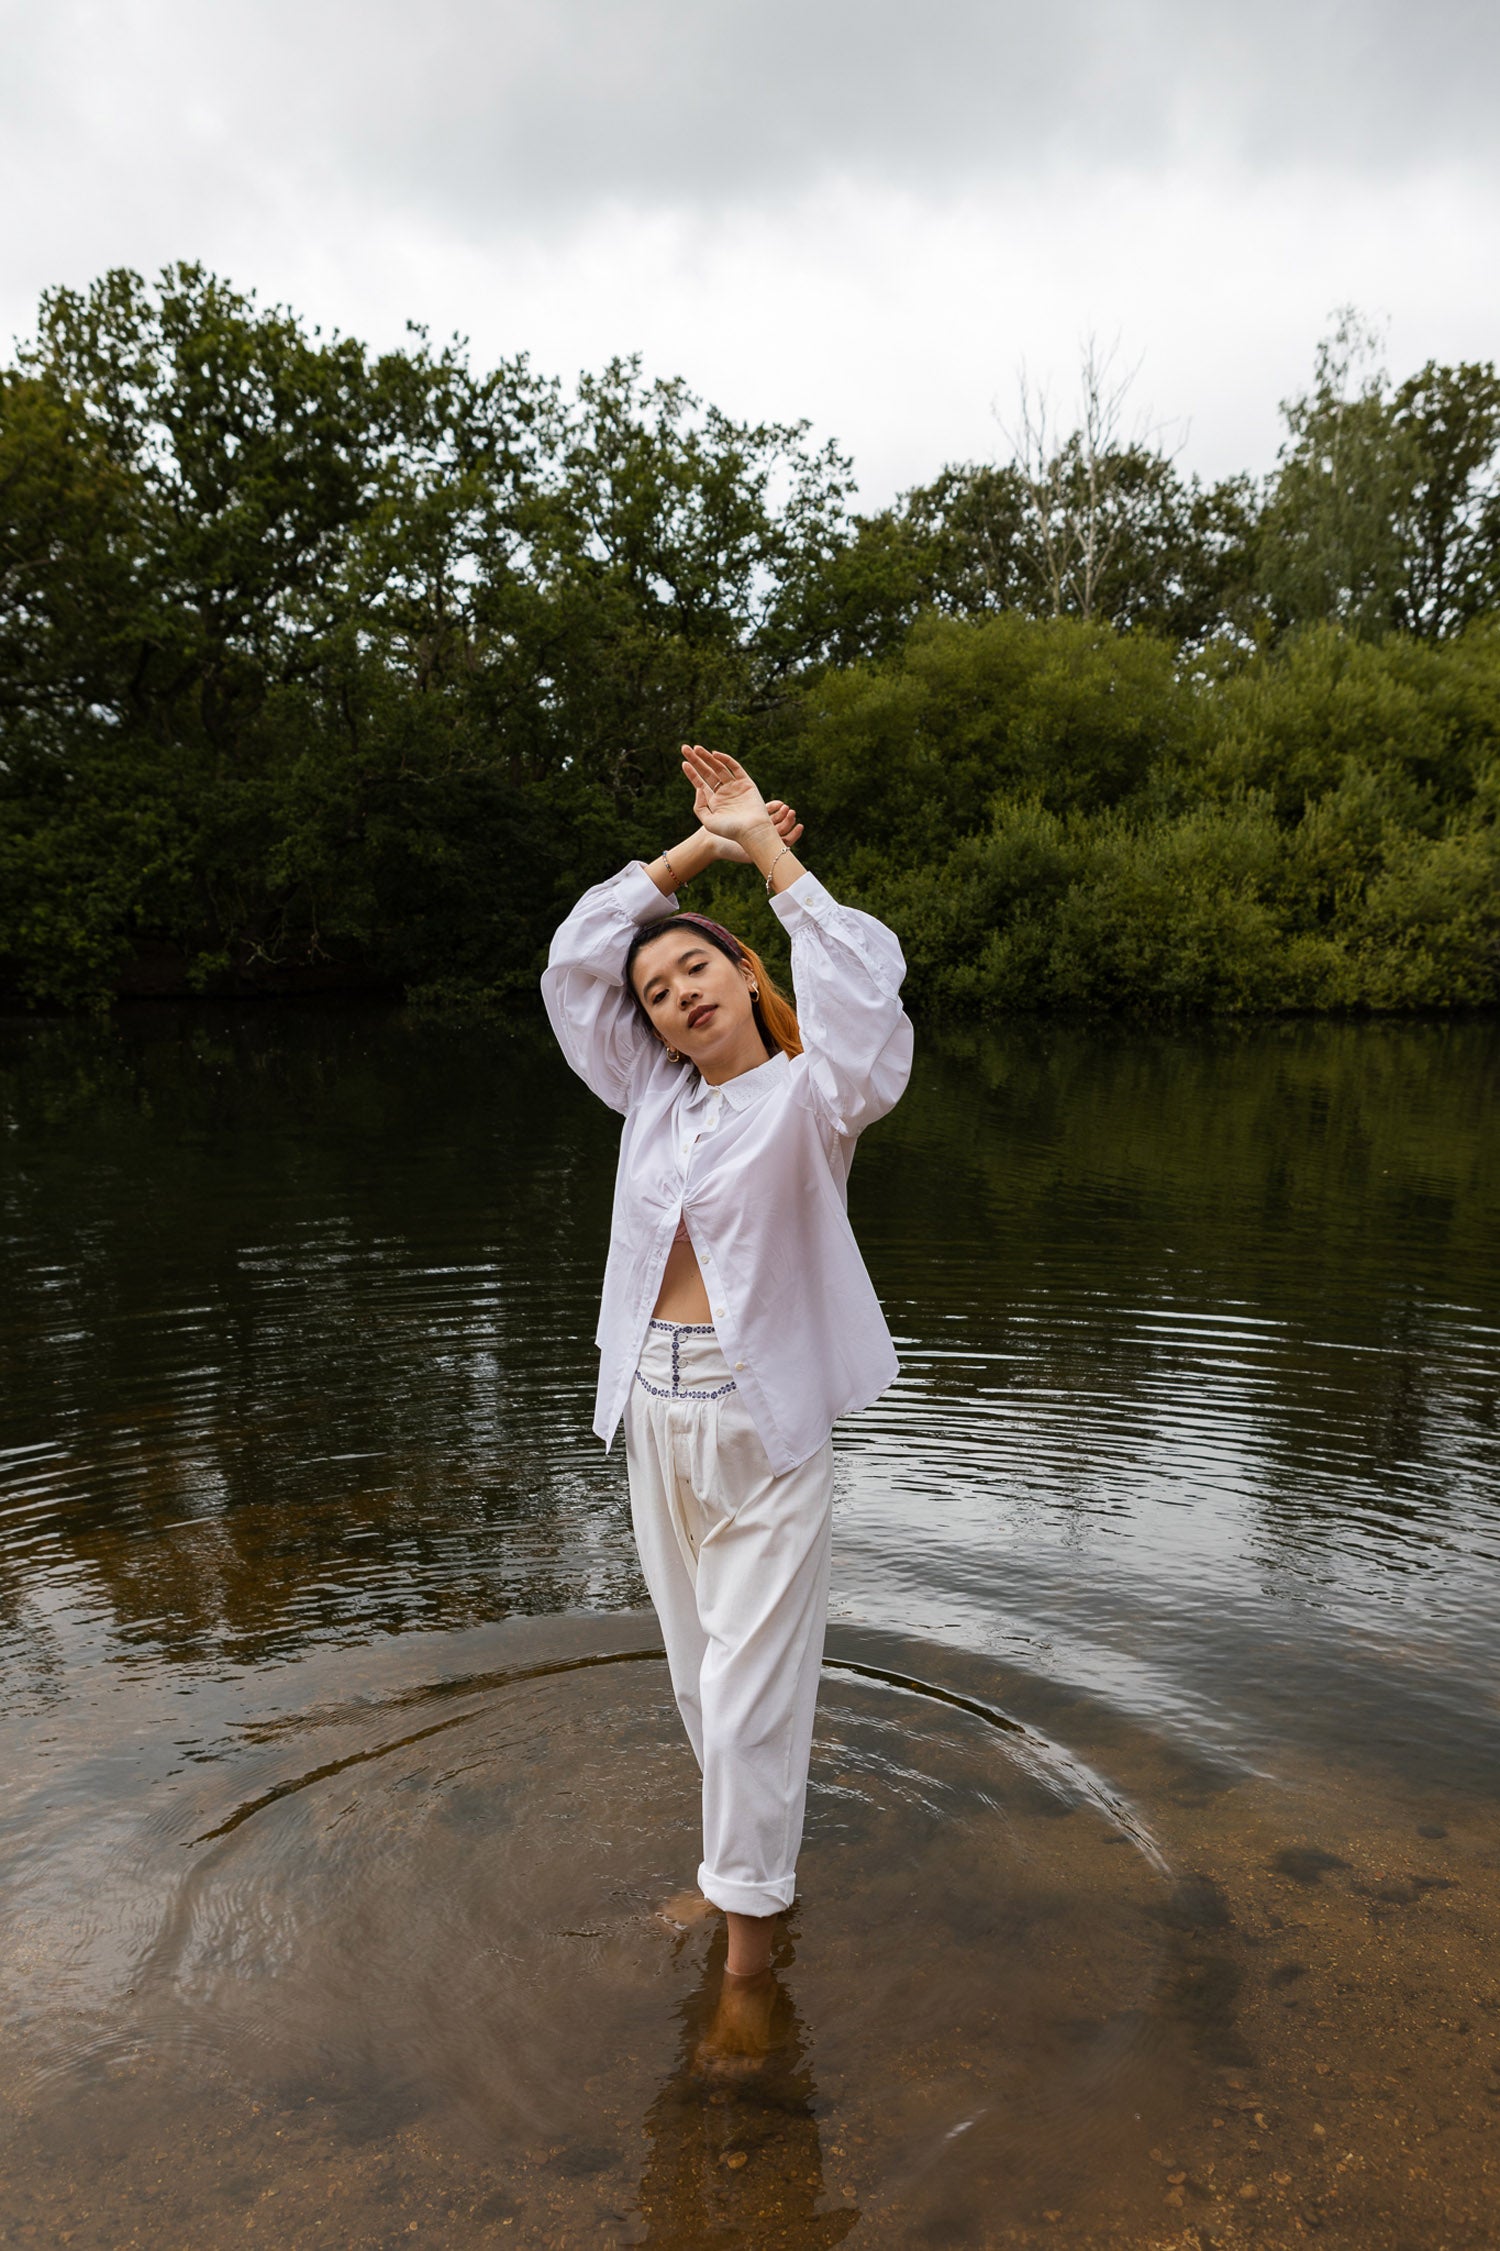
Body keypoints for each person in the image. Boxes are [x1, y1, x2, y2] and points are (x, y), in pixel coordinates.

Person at [541, 743, 913, 2003]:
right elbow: (571, 961)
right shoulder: (651, 1100)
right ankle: (732, 1872)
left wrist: (765, 852)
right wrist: (687, 854)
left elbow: (866, 997)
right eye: (655, 989)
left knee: (752, 1694)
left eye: (696, 963)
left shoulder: (817, 1097)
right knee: (703, 1678)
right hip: (651, 1408)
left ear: (746, 974)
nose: (675, 994)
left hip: (765, 1427)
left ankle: (749, 1965)